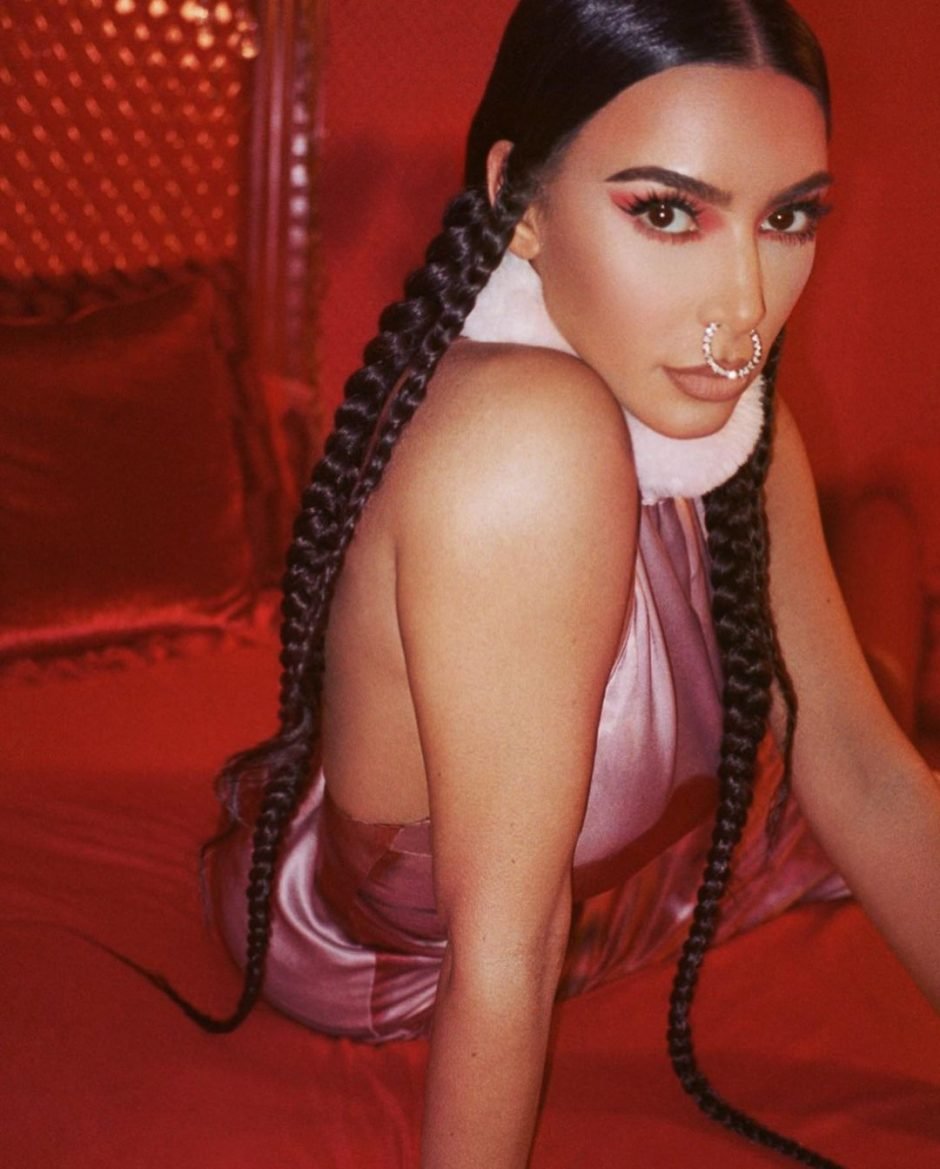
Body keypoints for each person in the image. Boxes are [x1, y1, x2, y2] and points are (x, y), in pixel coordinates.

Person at [150, 2, 940, 1166]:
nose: (742, 312)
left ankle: (888, 535)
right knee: (871, 644)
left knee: (868, 648)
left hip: (645, 872)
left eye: (786, 218)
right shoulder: (519, 442)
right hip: (407, 953)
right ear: (517, 198)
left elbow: (864, 772)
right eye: (665, 211)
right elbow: (503, 946)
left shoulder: (738, 424)